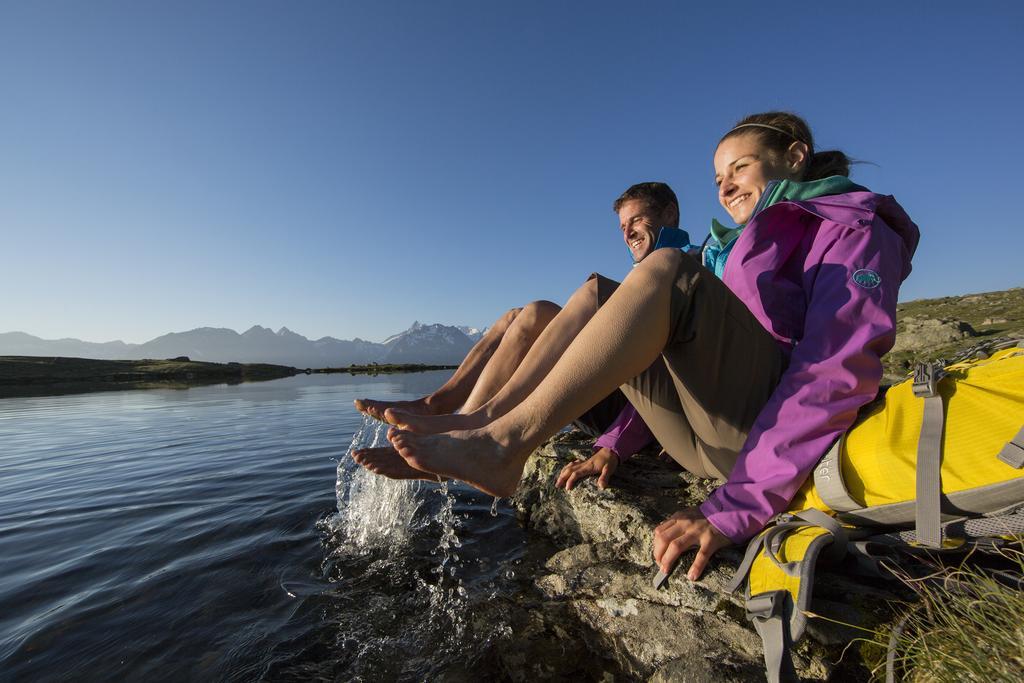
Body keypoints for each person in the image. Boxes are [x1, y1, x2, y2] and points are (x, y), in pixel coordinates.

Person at [372, 111, 919, 582]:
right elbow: (663, 357)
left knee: (665, 268)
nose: (725, 186)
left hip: (757, 438)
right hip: (704, 434)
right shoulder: (738, 246)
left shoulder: (852, 228)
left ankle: (500, 444)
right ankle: (485, 426)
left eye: (739, 168)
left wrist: (737, 507)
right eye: (717, 178)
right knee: (595, 292)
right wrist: (614, 443)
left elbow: (833, 370)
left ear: (795, 156)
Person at [352, 183, 691, 485]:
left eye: (636, 220)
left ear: (669, 214)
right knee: (531, 313)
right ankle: (444, 411)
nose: (627, 232)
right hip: (615, 394)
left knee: (594, 292)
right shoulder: (649, 277)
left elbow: (675, 378)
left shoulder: (694, 277)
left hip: (649, 416)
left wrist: (613, 445)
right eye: (622, 226)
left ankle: (477, 430)